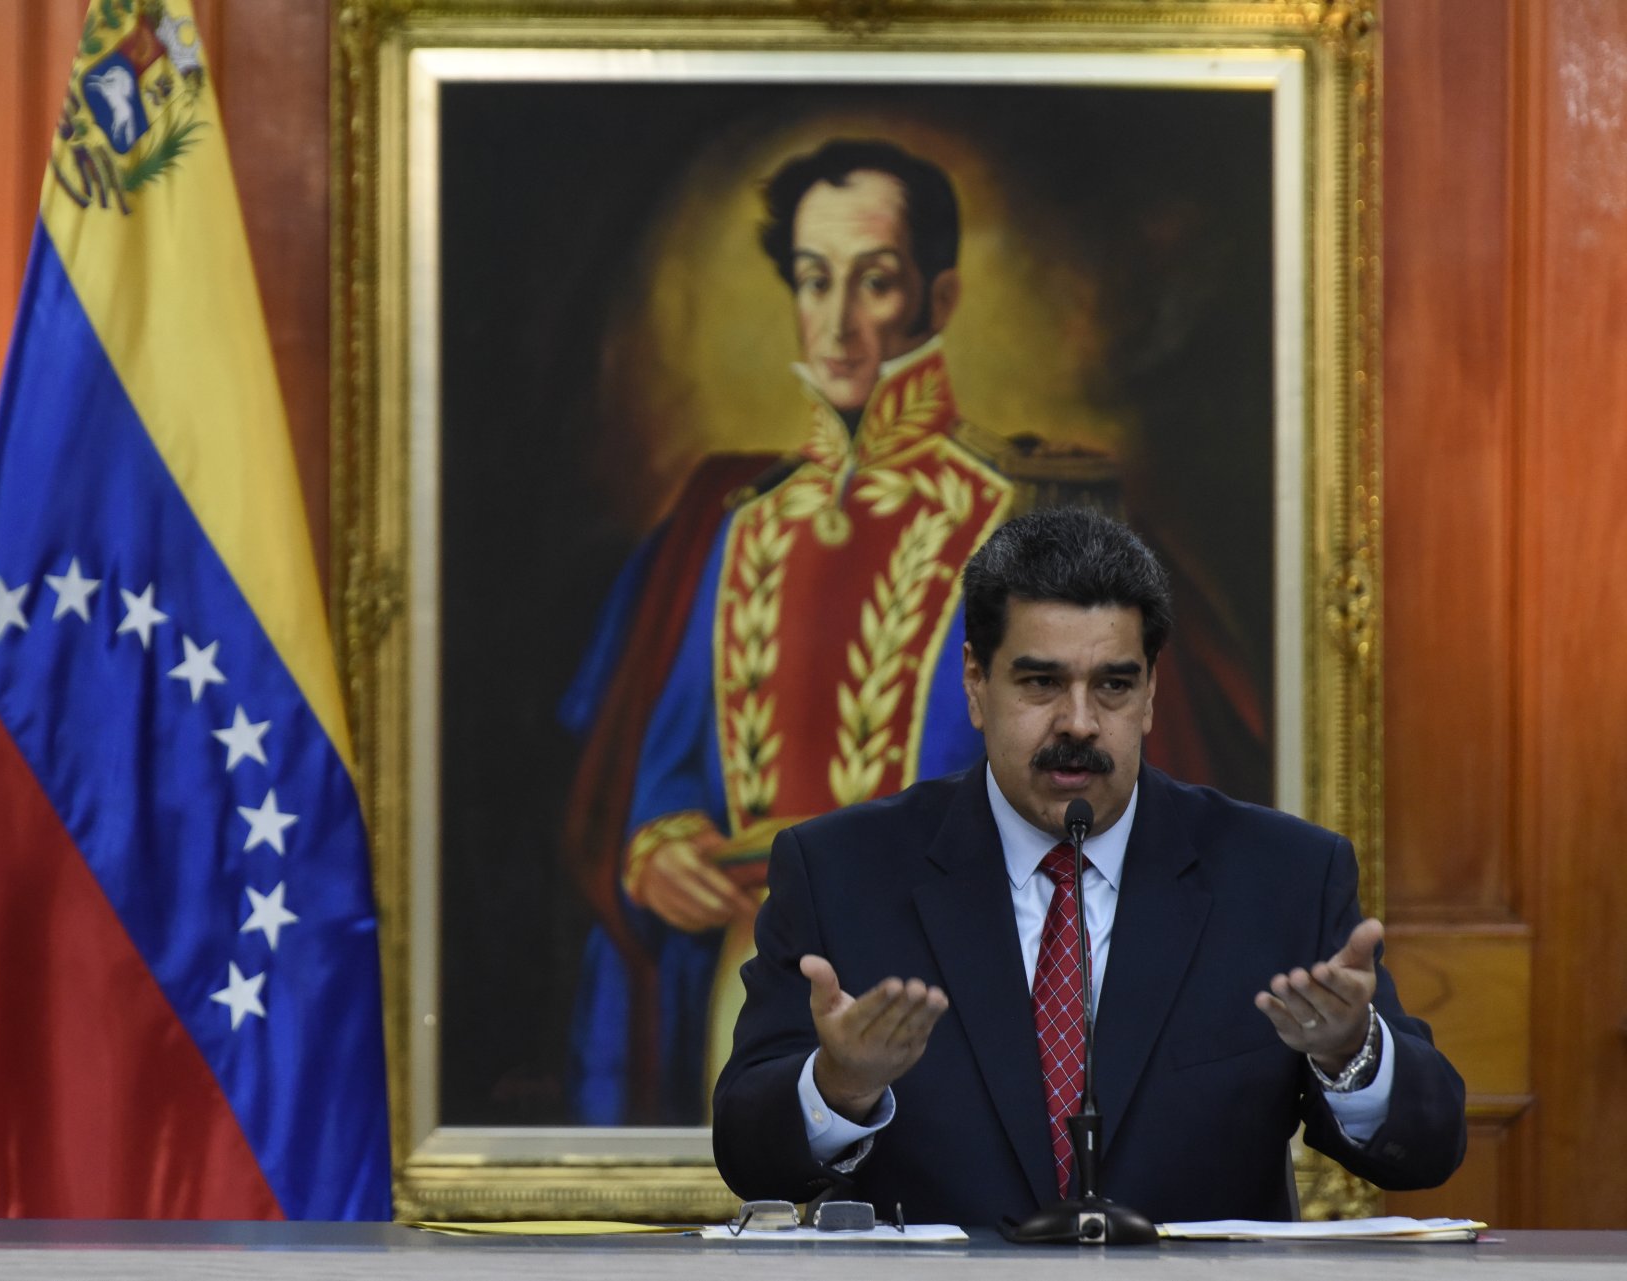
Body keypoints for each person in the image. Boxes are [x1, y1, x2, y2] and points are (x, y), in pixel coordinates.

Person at [561, 139, 1263, 1127]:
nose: (838, 320)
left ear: (937, 299)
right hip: (747, 990)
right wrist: (659, 843)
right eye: (815, 280)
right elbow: (665, 762)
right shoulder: (733, 522)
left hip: (972, 999)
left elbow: (1121, 793)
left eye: (875, 281)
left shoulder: (1029, 511)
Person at [710, 507, 1466, 1224]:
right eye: (1041, 683)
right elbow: (748, 1153)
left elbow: (1428, 1148)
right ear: (976, 683)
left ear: (1151, 692)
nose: (1078, 722)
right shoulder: (841, 871)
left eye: (1113, 684)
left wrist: (1350, 1052)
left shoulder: (1283, 877)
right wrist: (840, 1085)